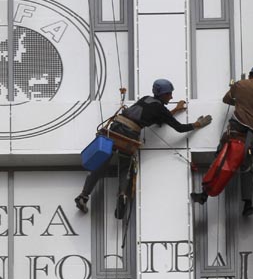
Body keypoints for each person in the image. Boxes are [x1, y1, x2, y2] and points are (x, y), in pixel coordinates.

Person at [75, 79, 212, 217]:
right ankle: (122, 195)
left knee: (102, 162)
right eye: (169, 94)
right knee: (125, 166)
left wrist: (176, 109)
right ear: (162, 94)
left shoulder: (146, 99)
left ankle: (83, 196)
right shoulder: (161, 109)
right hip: (128, 136)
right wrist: (197, 124)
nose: (171, 97)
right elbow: (179, 128)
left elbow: (161, 118)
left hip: (115, 129)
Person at [191, 65, 253, 216]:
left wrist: (241, 101)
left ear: (250, 75)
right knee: (246, 168)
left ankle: (204, 195)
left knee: (220, 159)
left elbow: (226, 99)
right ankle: (248, 205)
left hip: (235, 133)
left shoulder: (240, 85)